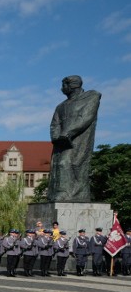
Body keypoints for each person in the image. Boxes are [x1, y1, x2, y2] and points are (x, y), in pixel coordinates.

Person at [47, 75, 101, 203]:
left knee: (68, 163)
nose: (62, 89)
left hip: (79, 139)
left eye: (63, 85)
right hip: (61, 141)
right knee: (56, 165)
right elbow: (54, 124)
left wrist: (68, 132)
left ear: (72, 86)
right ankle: (56, 193)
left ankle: (67, 193)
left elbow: (86, 117)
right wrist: (56, 137)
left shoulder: (91, 97)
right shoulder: (60, 106)